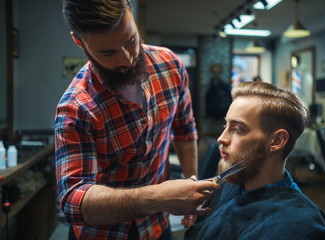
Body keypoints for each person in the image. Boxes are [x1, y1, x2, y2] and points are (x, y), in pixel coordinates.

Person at [54, 1, 219, 239]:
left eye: (130, 39)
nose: (128, 58)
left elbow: (184, 129)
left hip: (157, 227)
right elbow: (73, 200)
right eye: (108, 52)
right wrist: (158, 197)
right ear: (80, 42)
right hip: (103, 233)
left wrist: (191, 183)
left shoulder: (170, 66)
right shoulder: (76, 107)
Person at [184, 81, 325, 240]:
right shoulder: (232, 181)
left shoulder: (291, 227)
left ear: (276, 141)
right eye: (226, 125)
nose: (221, 138)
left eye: (237, 129)